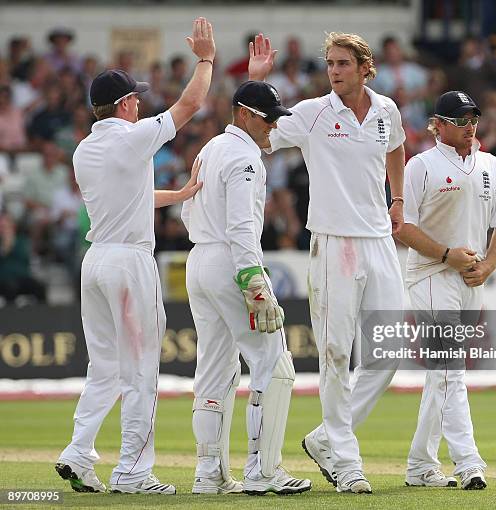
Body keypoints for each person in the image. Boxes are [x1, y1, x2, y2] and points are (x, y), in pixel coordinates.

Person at [55, 17, 215, 495]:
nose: (141, 103)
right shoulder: (132, 137)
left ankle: (78, 453)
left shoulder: (84, 151)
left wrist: (180, 193)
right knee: (142, 368)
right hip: (129, 263)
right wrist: (205, 59)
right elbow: (190, 105)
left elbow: (131, 197)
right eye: (136, 98)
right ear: (124, 104)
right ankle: (134, 472)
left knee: (103, 369)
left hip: (96, 262)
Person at [249, 32, 406, 493]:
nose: (334, 71)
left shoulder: (386, 110)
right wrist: (257, 84)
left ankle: (325, 440)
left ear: (364, 68)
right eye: (330, 64)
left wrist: (397, 199)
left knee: (390, 351)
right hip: (333, 243)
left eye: (343, 64)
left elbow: (396, 146)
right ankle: (347, 459)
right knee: (336, 354)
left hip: (379, 241)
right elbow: (258, 136)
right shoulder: (312, 113)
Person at [181, 81, 311, 496]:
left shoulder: (211, 149)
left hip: (199, 258)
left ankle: (209, 473)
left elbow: (188, 210)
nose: (274, 125)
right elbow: (241, 227)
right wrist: (252, 279)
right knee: (274, 363)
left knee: (215, 367)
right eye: (268, 117)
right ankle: (264, 470)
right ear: (244, 114)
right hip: (232, 262)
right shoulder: (245, 158)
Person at [397, 90, 496, 489]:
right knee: (451, 368)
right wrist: (447, 255)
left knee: (440, 375)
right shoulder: (421, 166)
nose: (470, 128)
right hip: (431, 275)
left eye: (473, 120)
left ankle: (419, 465)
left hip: (470, 280)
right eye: (461, 121)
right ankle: (469, 463)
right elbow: (403, 227)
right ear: (440, 125)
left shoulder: (489, 164)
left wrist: (488, 266)